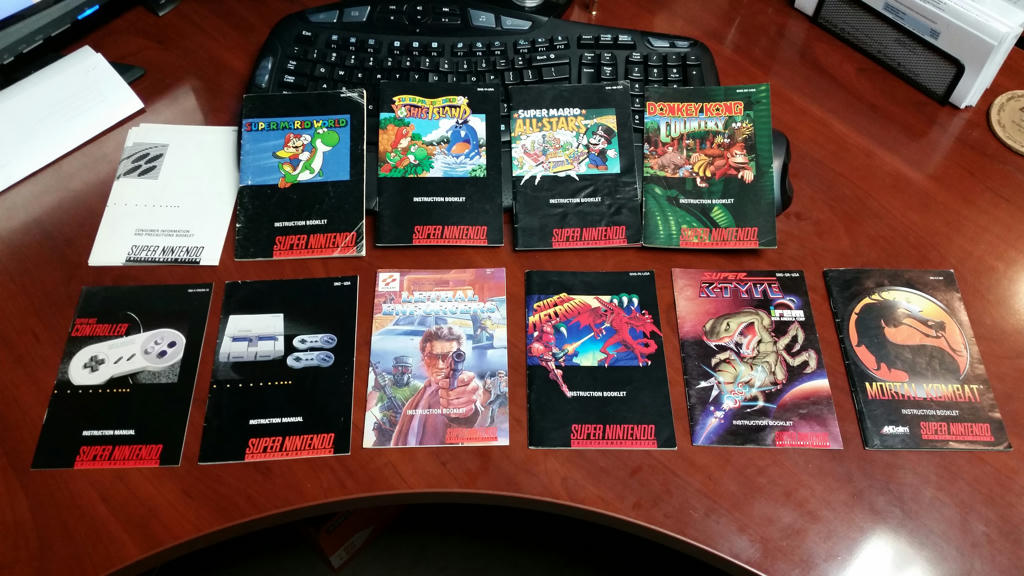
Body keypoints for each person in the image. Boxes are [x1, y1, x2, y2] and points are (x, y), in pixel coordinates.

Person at [391, 325, 482, 446]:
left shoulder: (464, 387)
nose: (439, 365)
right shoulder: (417, 397)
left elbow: (470, 409)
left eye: (447, 357)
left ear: (459, 358)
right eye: (431, 357)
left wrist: (466, 409)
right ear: (423, 358)